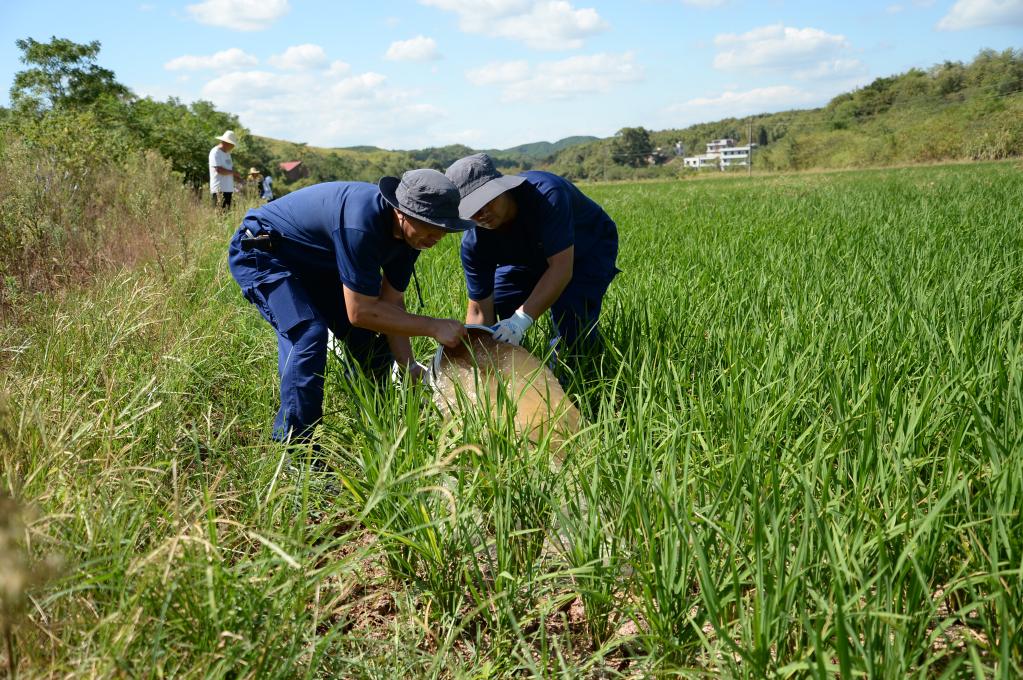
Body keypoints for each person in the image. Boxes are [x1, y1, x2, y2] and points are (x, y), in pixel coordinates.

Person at [227, 169, 473, 443]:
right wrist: (433, 326)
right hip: (264, 252)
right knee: (308, 334)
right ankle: (298, 449)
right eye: (430, 225)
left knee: (370, 340)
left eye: (444, 228)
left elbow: (391, 304)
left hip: (317, 263)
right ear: (402, 211)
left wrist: (408, 365)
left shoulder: (412, 239)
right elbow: (360, 312)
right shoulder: (362, 224)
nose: (437, 236)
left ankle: (380, 429)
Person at [445, 153, 619, 358]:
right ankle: (514, 361)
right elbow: (479, 311)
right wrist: (476, 356)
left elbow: (561, 269)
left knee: (572, 320)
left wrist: (519, 321)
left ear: (502, 188)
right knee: (499, 302)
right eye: (471, 209)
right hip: (528, 256)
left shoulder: (547, 195)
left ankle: (579, 359)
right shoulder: (474, 243)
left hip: (586, 248)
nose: (482, 213)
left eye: (487, 201)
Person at [210, 130, 241, 211]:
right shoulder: (215, 152)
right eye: (232, 145)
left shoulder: (227, 154)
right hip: (219, 190)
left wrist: (237, 177)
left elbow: (230, 169)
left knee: (227, 215)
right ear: (226, 142)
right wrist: (234, 173)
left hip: (228, 189)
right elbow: (219, 170)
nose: (233, 147)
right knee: (219, 215)